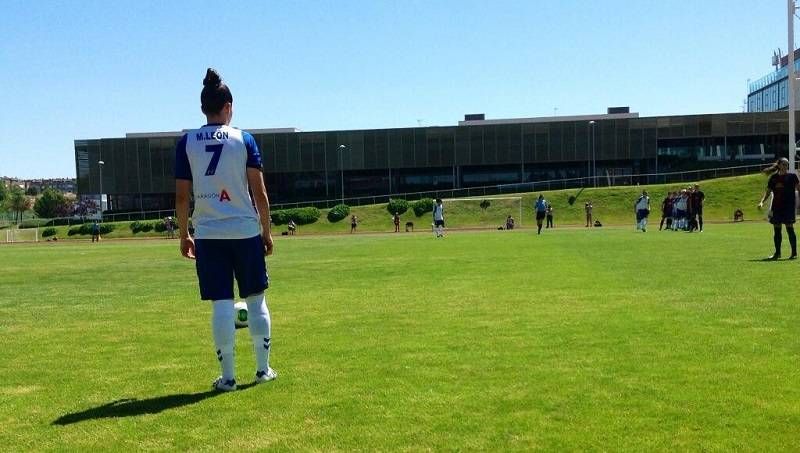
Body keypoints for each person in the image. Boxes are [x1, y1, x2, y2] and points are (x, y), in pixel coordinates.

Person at [174, 68, 276, 392]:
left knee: (221, 303)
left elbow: (181, 196)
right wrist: (267, 231)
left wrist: (183, 234)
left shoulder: (186, 142)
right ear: (228, 106)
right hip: (245, 231)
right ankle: (262, 371)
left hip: (208, 233)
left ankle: (228, 377)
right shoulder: (244, 139)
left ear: (204, 108)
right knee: (256, 300)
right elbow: (259, 192)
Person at [758, 158, 800, 260]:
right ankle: (777, 253)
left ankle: (794, 253)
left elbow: (799, 189)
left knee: (789, 228)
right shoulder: (773, 178)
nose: (786, 166)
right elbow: (768, 192)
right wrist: (762, 202)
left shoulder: (792, 177)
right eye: (784, 164)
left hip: (788, 207)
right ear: (779, 165)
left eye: (787, 164)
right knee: (777, 230)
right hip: (776, 207)